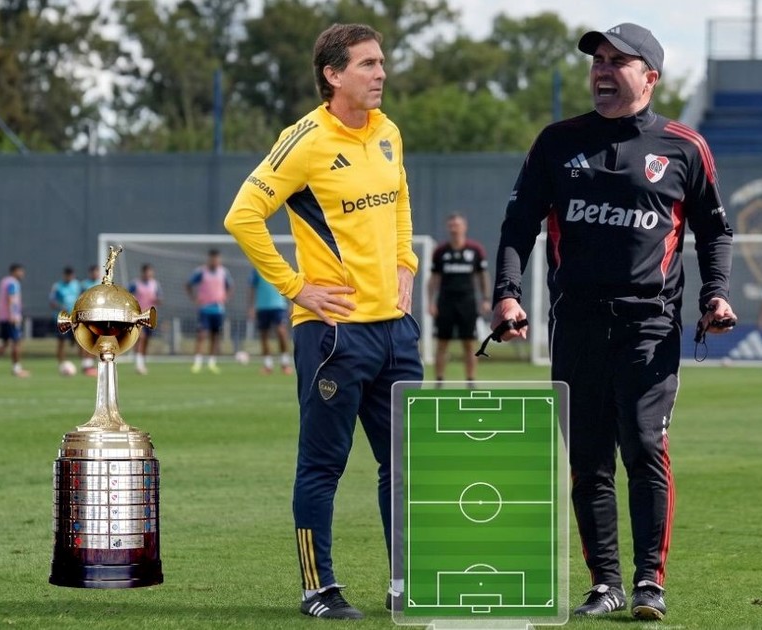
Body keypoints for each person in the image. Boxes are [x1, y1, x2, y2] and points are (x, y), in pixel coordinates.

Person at [489, 22, 735, 621]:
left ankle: (650, 581)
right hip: (575, 324)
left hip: (649, 325)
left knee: (645, 446)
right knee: (588, 459)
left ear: (650, 77)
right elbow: (518, 225)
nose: (601, 70)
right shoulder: (557, 141)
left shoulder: (684, 146)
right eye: (597, 59)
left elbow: (715, 229)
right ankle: (605, 584)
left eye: (616, 61)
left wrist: (716, 294)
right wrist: (507, 295)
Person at [223, 23, 421, 620]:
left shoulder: (388, 132)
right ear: (333, 75)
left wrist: (406, 263)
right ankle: (319, 588)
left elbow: (400, 199)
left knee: (405, 464)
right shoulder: (303, 140)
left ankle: (405, 582)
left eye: (381, 61)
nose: (381, 73)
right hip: (334, 333)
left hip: (396, 331)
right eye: (367, 64)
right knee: (322, 465)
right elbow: (243, 215)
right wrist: (296, 287)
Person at [427, 212, 490, 384]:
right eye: (451, 225)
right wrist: (431, 302)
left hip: (467, 302)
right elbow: (434, 278)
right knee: (442, 342)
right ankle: (439, 381)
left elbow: (482, 276)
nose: (454, 229)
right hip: (445, 302)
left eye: (457, 225)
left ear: (464, 227)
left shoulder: (475, 250)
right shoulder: (440, 252)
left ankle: (471, 381)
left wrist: (485, 299)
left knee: (469, 343)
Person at [186, 250, 232, 374]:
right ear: (209, 259)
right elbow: (188, 284)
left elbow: (230, 286)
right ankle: (197, 363)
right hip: (205, 308)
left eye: (217, 259)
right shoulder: (201, 271)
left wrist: (226, 297)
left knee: (215, 336)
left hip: (218, 309)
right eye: (212, 259)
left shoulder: (224, 272)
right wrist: (194, 298)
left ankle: (212, 363)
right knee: (202, 335)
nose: (215, 261)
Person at [0, 263, 30, 377]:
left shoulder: (4, 281)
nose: (22, 274)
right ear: (14, 271)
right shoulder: (13, 283)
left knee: (5, 343)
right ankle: (16, 369)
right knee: (16, 343)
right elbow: (11, 298)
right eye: (20, 271)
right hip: (11, 318)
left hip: (2, 316)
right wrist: (13, 314)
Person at [248, 268, 291, 375]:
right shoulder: (256, 269)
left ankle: (285, 363)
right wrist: (251, 306)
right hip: (262, 307)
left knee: (281, 332)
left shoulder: (278, 266)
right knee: (264, 335)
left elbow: (289, 284)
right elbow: (252, 288)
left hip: (278, 306)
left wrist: (292, 303)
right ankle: (268, 365)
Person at [128, 263, 162, 375]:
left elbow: (160, 299)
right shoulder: (135, 284)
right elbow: (127, 296)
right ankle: (138, 364)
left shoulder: (155, 284)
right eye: (147, 272)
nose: (148, 274)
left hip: (150, 316)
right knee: (141, 337)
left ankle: (142, 361)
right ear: (142, 273)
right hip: (138, 315)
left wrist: (157, 300)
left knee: (146, 339)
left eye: (150, 272)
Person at [49, 266, 81, 369]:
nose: (69, 277)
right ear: (64, 275)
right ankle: (61, 364)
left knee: (80, 340)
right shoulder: (57, 286)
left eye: (71, 275)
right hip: (62, 319)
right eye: (68, 275)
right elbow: (52, 302)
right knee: (62, 342)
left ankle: (85, 364)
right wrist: (60, 307)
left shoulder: (77, 285)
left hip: (75, 318)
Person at [78, 265, 102, 376]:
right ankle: (86, 365)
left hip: (98, 316)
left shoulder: (101, 284)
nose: (95, 274)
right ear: (90, 273)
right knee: (87, 340)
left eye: (96, 272)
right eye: (93, 272)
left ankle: (89, 365)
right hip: (87, 315)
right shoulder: (84, 285)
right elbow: (80, 299)